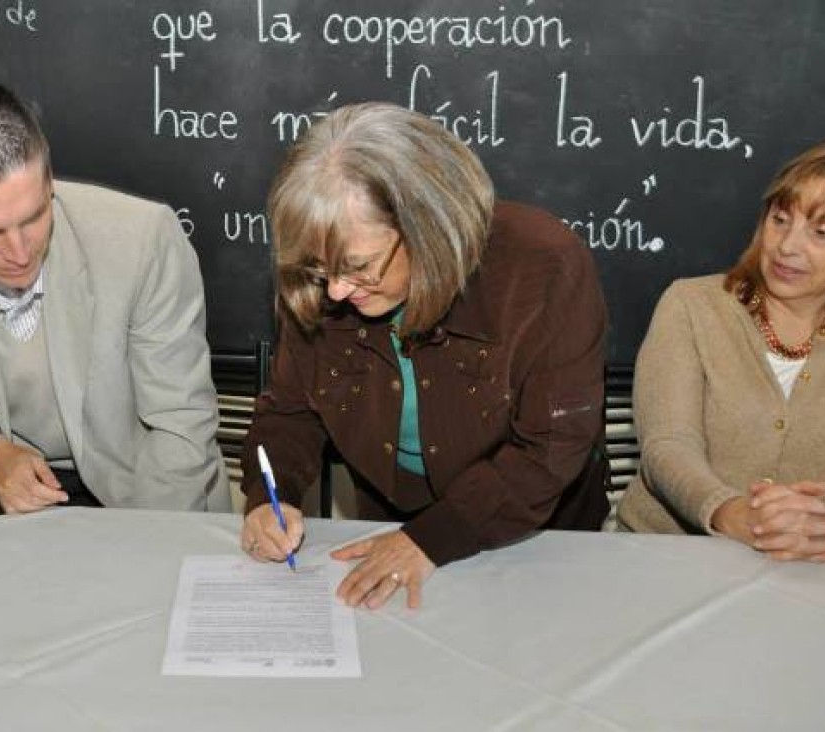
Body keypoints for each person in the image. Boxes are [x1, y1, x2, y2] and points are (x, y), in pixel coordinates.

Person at [239, 102, 609, 609]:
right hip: (391, 531)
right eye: (323, 271)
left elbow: (550, 448)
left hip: (537, 543)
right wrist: (267, 498)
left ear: (429, 227)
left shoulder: (543, 267)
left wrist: (430, 538)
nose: (340, 290)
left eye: (360, 266)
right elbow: (291, 412)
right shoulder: (322, 281)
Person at [0, 73, 230, 514]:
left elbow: (179, 423)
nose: (19, 251)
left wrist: (143, 546)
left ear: (49, 179)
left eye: (35, 215)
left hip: (142, 492)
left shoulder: (141, 239)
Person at [617, 140, 825, 560]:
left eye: (822, 233)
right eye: (780, 219)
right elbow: (669, 443)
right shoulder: (691, 306)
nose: (787, 246)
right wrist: (729, 512)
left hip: (806, 565)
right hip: (664, 553)